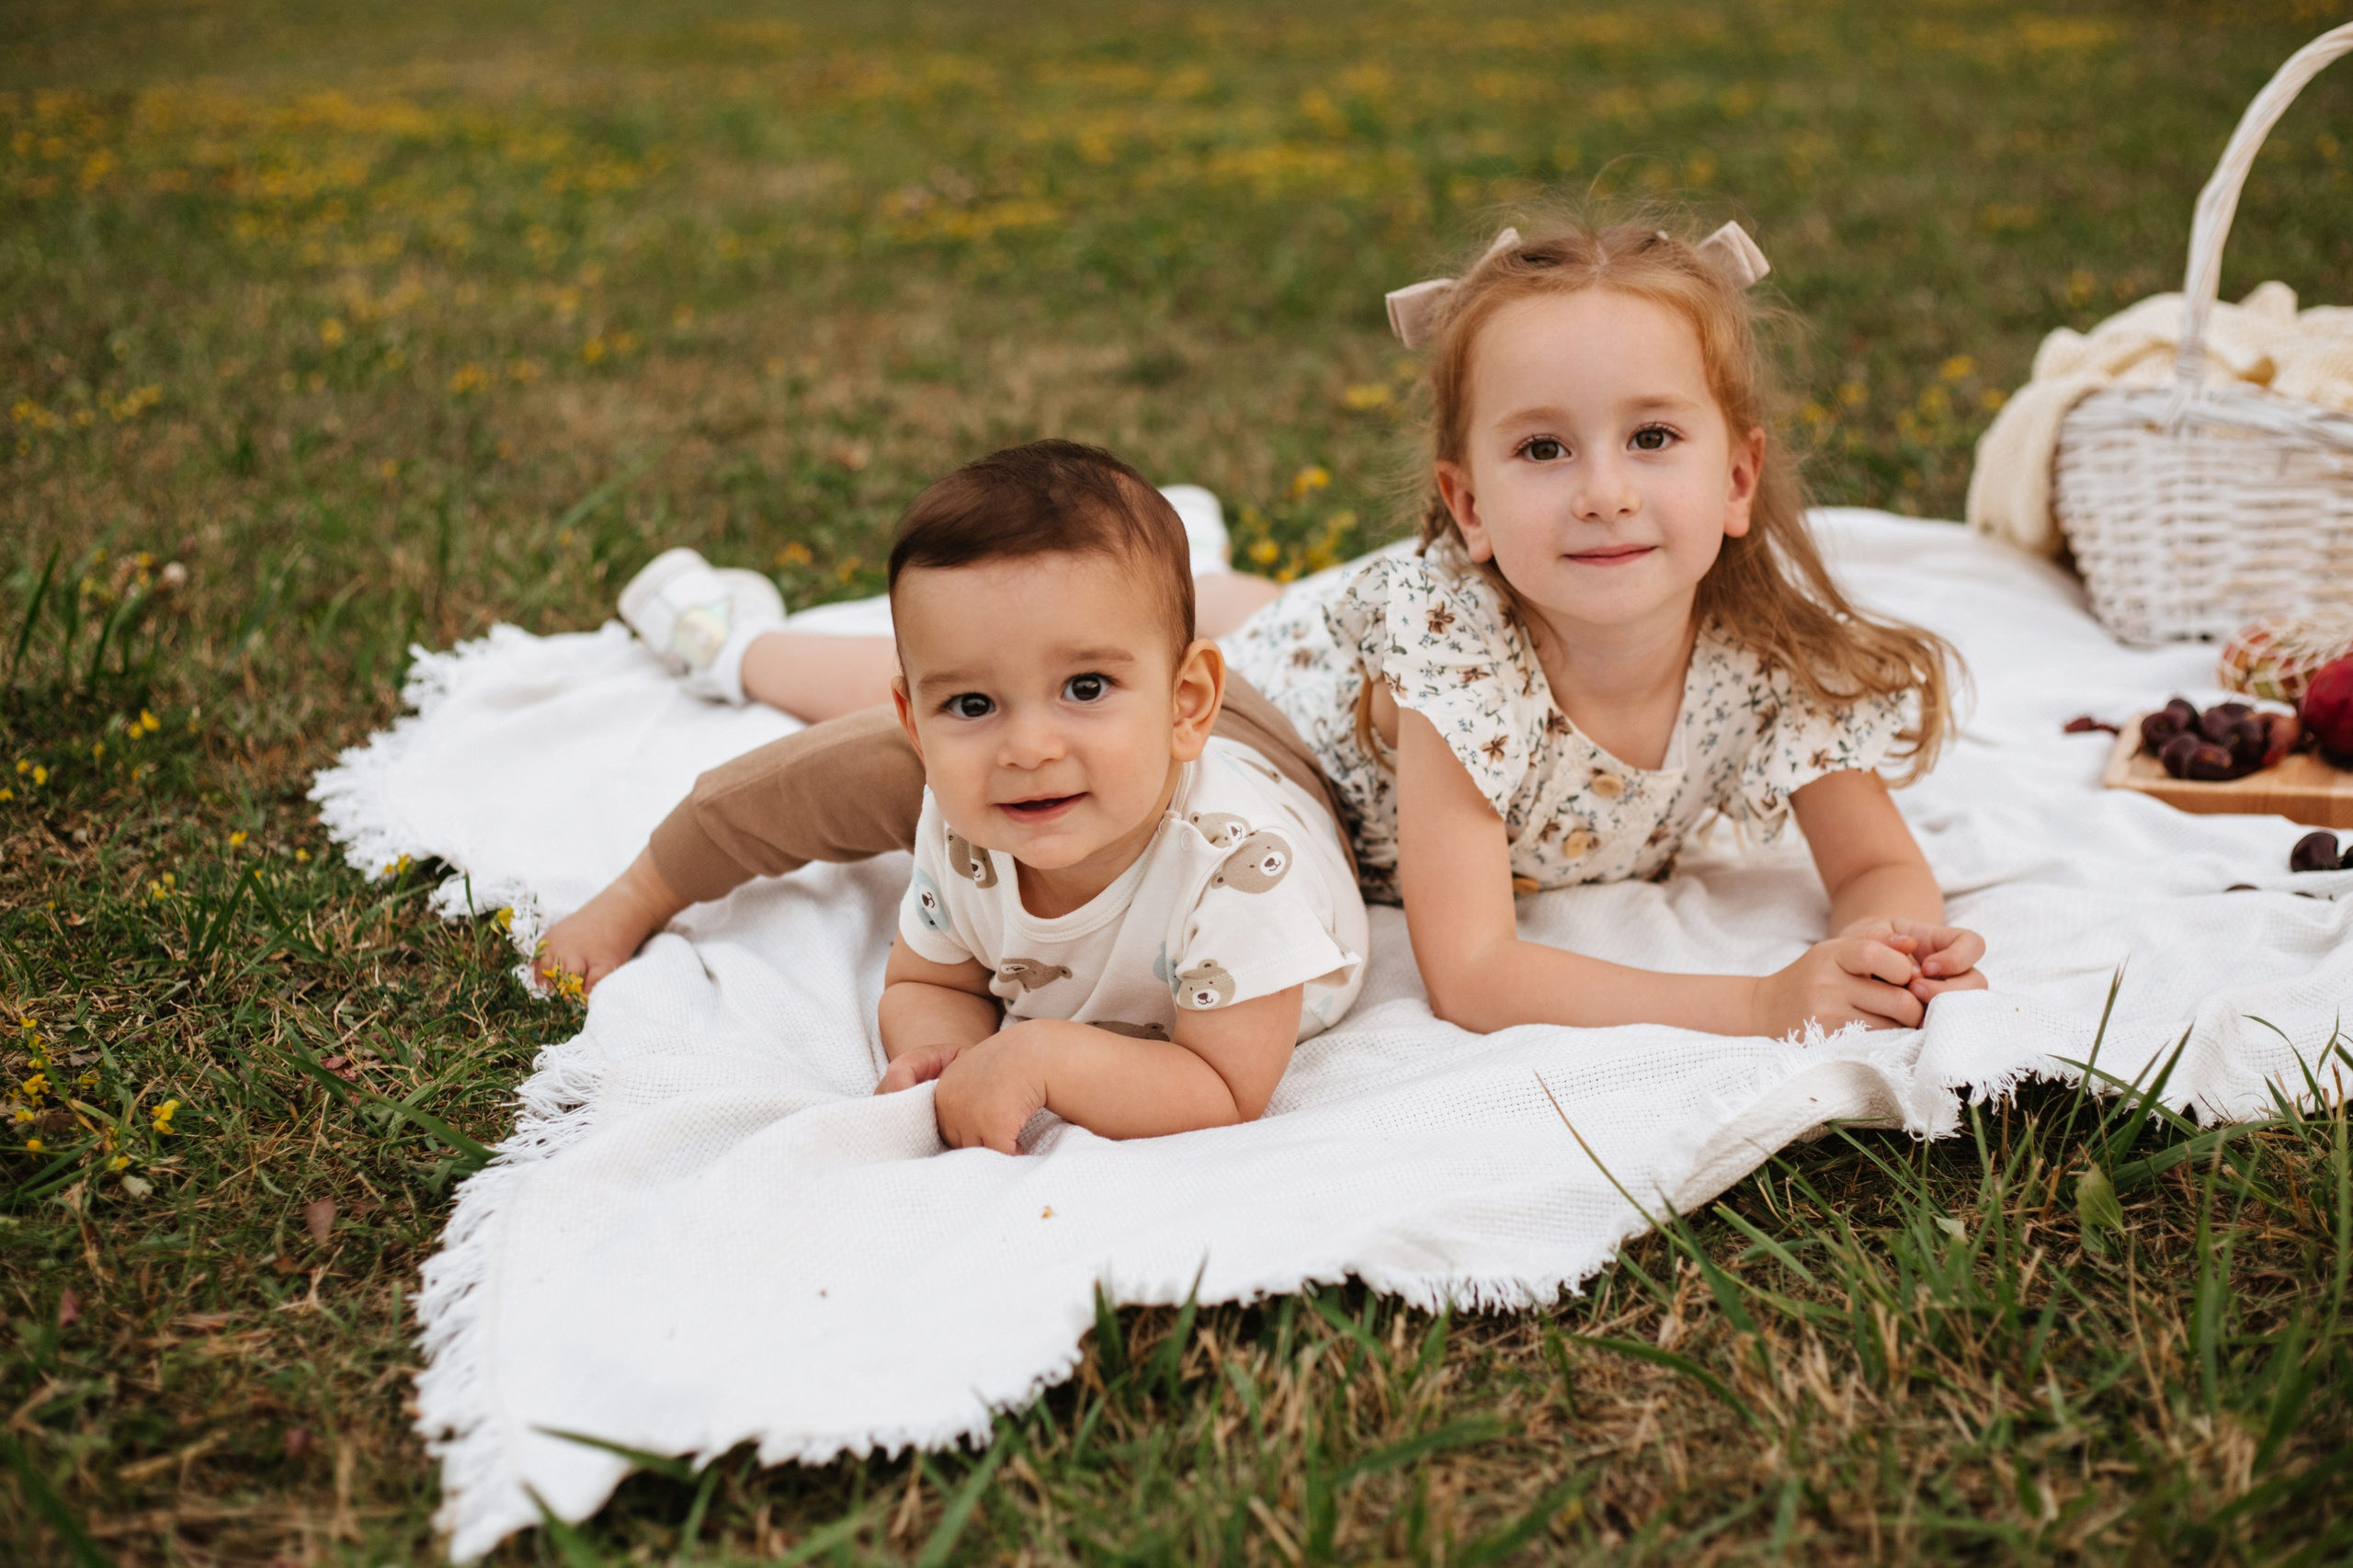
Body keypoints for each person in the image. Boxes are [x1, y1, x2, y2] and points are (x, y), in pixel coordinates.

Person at [541, 210, 1987, 1039]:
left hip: (1307, 640)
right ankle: (718, 649)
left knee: (1210, 623)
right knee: (940, 719)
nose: (1603, 493)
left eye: (1652, 438)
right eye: (1543, 450)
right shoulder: (1459, 647)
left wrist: (1884, 949)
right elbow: (1474, 972)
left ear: (1735, 478)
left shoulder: (1773, 658)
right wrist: (1759, 1000)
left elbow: (1876, 868)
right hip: (1275, 732)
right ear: (1467, 505)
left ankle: (1201, 562)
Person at [585, 440, 1371, 1153]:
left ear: (1186, 701)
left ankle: (1196, 569)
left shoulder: (1237, 870)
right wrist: (946, 1052)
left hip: (1266, 746)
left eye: (1085, 685)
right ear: (917, 722)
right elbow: (934, 978)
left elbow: (1225, 1087)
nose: (1027, 749)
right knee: (837, 769)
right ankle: (720, 682)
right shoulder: (965, 812)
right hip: (1117, 745)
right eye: (969, 706)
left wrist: (1042, 1057)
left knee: (1242, 614)